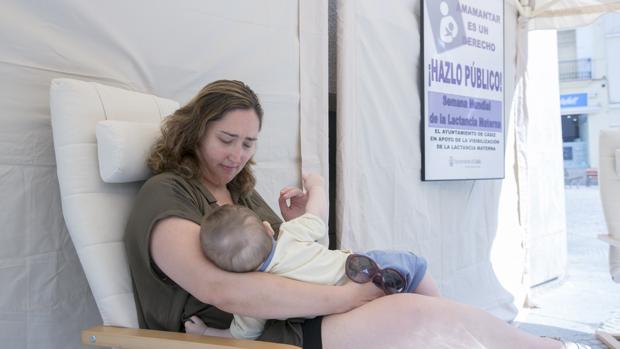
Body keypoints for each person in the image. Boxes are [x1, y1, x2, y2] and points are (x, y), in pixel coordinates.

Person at [124, 79, 577, 349]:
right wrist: (346, 298)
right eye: (226, 139)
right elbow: (225, 291)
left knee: (417, 297)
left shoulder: (239, 193)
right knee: (418, 316)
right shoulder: (165, 195)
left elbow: (290, 252)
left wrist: (298, 223)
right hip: (264, 333)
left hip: (298, 311)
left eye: (249, 143)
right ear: (195, 131)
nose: (237, 155)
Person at [185, 173, 439, 340]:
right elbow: (317, 213)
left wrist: (206, 331)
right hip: (362, 268)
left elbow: (240, 336)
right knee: (414, 268)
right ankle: (441, 308)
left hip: (344, 308)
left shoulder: (254, 296)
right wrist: (316, 184)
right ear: (266, 228)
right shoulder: (289, 233)